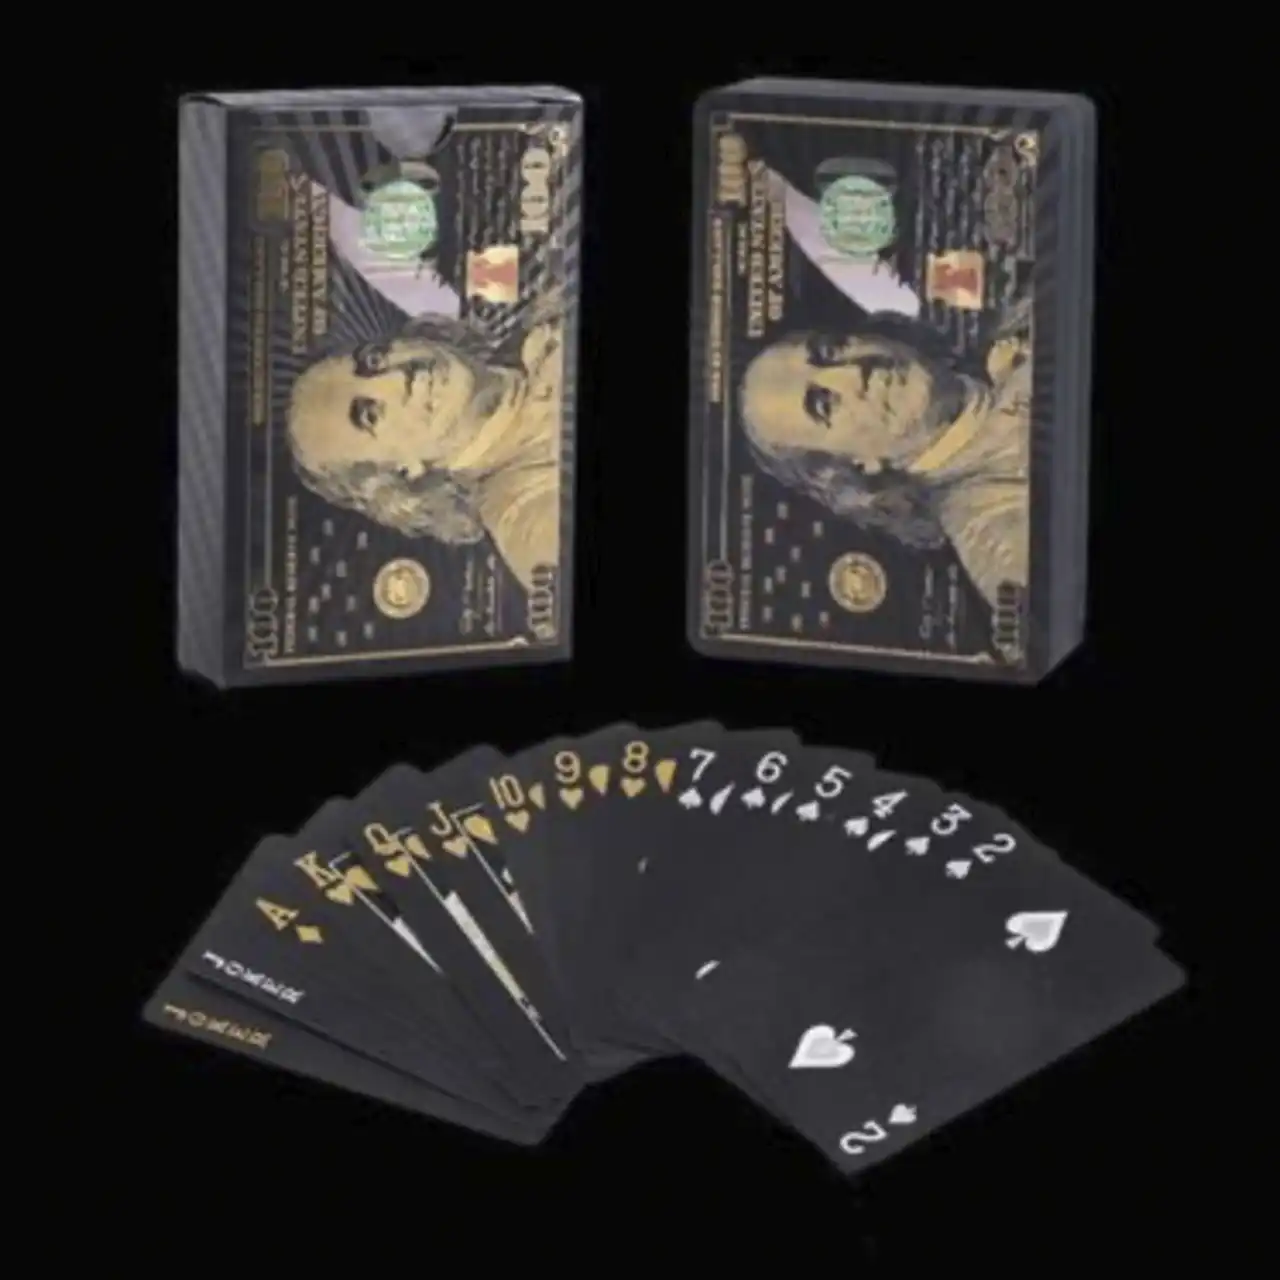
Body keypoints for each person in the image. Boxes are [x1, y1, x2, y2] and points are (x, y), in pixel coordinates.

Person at [741, 167, 1031, 610]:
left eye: (829, 350)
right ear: (857, 466)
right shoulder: (990, 528)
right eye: (824, 404)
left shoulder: (1007, 325)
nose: (852, 373)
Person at [285, 310, 563, 595]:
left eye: (373, 360)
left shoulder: (537, 316)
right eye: (371, 415)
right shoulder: (529, 521)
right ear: (401, 472)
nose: (400, 376)